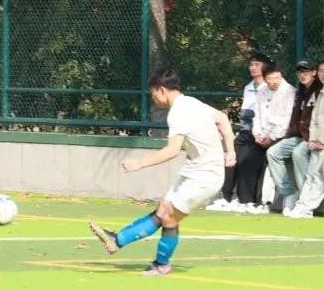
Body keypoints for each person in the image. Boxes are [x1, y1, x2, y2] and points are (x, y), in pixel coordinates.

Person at [89, 68, 236, 276]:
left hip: (206, 176)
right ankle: (116, 240)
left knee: (169, 218)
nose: (153, 98)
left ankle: (161, 264)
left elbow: (172, 151)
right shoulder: (191, 102)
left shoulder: (178, 113)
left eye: (153, 93)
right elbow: (222, 119)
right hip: (194, 170)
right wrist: (230, 151)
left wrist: (139, 163)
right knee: (163, 210)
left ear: (161, 90)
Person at [206, 52, 272, 212]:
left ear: (265, 67)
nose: (253, 68)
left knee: (247, 159)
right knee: (230, 156)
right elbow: (245, 114)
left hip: (261, 135)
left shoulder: (269, 87)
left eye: (257, 65)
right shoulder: (248, 87)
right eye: (251, 65)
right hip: (244, 133)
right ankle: (225, 197)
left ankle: (246, 201)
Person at [266, 58, 321, 215]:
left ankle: (305, 201)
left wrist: (313, 137)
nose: (302, 75)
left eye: (306, 72)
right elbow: (295, 118)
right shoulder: (300, 91)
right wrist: (288, 135)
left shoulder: (319, 90)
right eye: (300, 72)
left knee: (298, 153)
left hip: (313, 137)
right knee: (273, 152)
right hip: (298, 136)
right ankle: (289, 194)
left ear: (314, 73)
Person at [248, 63, 296, 212]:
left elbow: (287, 121)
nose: (274, 81)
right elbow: (257, 116)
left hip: (282, 136)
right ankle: (252, 201)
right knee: (248, 158)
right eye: (270, 78)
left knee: (271, 158)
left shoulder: (290, 92)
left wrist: (272, 137)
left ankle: (270, 201)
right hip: (263, 137)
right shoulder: (262, 91)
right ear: (265, 79)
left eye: (277, 78)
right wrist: (257, 134)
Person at [287, 60, 324, 218]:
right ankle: (304, 207)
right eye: (321, 71)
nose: (323, 74)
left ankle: (305, 207)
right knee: (313, 175)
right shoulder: (321, 93)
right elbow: (314, 120)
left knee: (316, 176)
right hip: (318, 144)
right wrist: (314, 139)